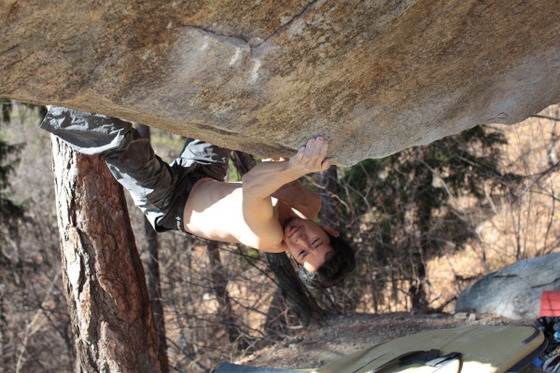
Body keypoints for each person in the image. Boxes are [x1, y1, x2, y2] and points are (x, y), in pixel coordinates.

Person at [40, 106, 355, 288]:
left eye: (300, 254)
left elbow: (254, 184)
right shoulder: (309, 206)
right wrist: (289, 162)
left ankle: (58, 104)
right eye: (314, 243)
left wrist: (294, 167)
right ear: (330, 231)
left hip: (168, 202)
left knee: (121, 141)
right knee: (225, 115)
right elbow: (270, 166)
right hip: (204, 175)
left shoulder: (268, 236)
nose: (299, 240)